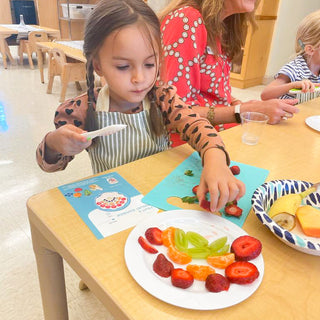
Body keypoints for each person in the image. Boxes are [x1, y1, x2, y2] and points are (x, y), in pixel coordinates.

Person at [36, 0, 245, 212]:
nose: (140, 78)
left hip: (161, 199)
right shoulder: (81, 108)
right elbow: (49, 164)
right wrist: (55, 143)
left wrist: (215, 158)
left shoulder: (163, 98)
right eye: (123, 66)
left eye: (149, 64)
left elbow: (197, 126)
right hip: (115, 204)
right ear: (97, 65)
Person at [159, 0, 299, 137]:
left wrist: (235, 102)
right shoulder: (187, 20)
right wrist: (241, 110)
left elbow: (209, 88)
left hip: (212, 131)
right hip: (191, 139)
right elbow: (173, 111)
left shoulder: (221, 26)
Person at [261, 10, 320, 100]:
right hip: (289, 113)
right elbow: (265, 94)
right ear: (310, 50)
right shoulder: (294, 69)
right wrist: (293, 85)